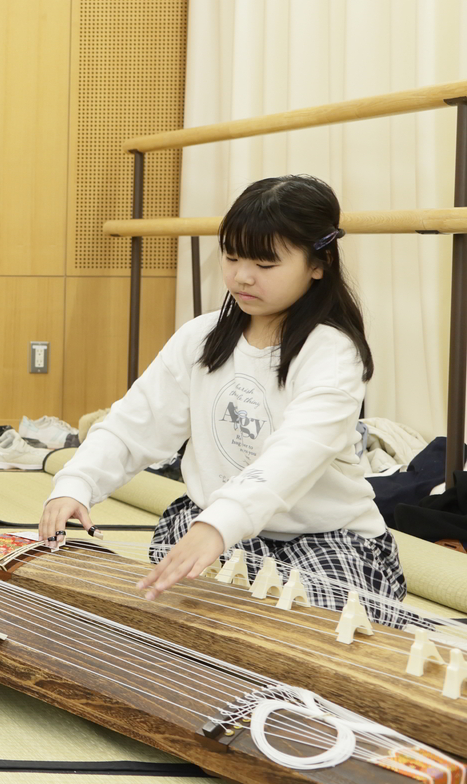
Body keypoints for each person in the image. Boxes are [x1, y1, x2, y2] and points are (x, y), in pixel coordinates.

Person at [41, 175, 400, 611]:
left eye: (265, 265)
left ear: (318, 263)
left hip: (324, 538)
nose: (242, 276)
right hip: (212, 523)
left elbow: (295, 453)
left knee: (309, 631)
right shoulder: (200, 337)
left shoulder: (333, 353)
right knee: (186, 619)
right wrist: (76, 484)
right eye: (231, 257)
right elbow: (135, 424)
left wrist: (219, 524)